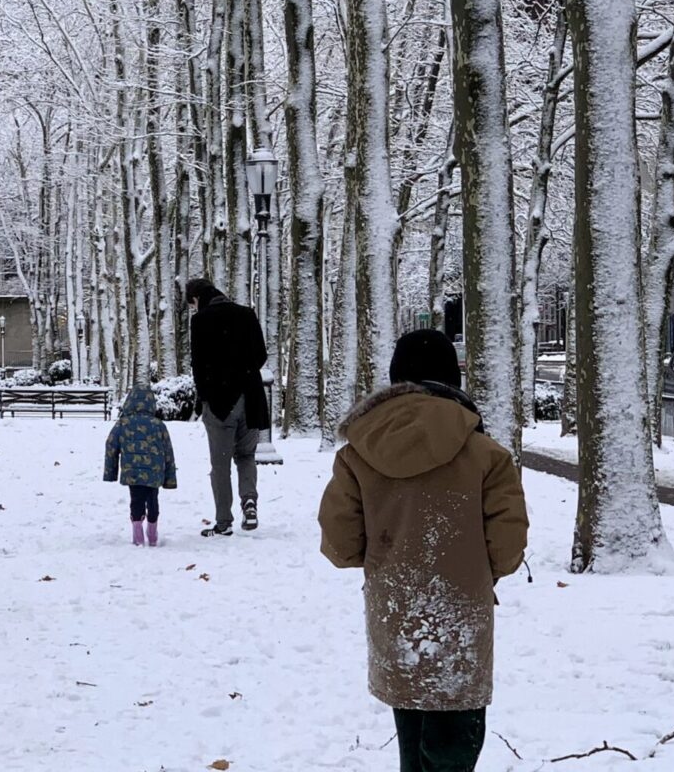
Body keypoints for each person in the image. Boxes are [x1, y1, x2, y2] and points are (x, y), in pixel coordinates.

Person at [318, 329, 528, 772]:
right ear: (453, 379)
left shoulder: (358, 454)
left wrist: (388, 556)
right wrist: (473, 568)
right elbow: (508, 548)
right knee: (455, 746)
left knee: (412, 742)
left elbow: (339, 544)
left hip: (395, 612)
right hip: (461, 616)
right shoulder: (487, 454)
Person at [185, 277, 270, 536]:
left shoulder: (201, 321)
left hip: (220, 403)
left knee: (220, 464)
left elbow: (198, 366)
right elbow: (261, 355)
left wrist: (206, 396)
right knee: (246, 456)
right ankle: (250, 501)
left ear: (197, 298)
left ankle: (224, 521)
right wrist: (243, 372)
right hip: (251, 398)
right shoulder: (246, 314)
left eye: (192, 303)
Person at [103, 384, 178, 546]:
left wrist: (111, 472)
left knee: (136, 500)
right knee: (153, 500)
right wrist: (170, 479)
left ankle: (137, 537)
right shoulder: (158, 425)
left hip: (133, 473)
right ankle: (152, 534)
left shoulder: (123, 423)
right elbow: (168, 451)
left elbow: (110, 444)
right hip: (155, 473)